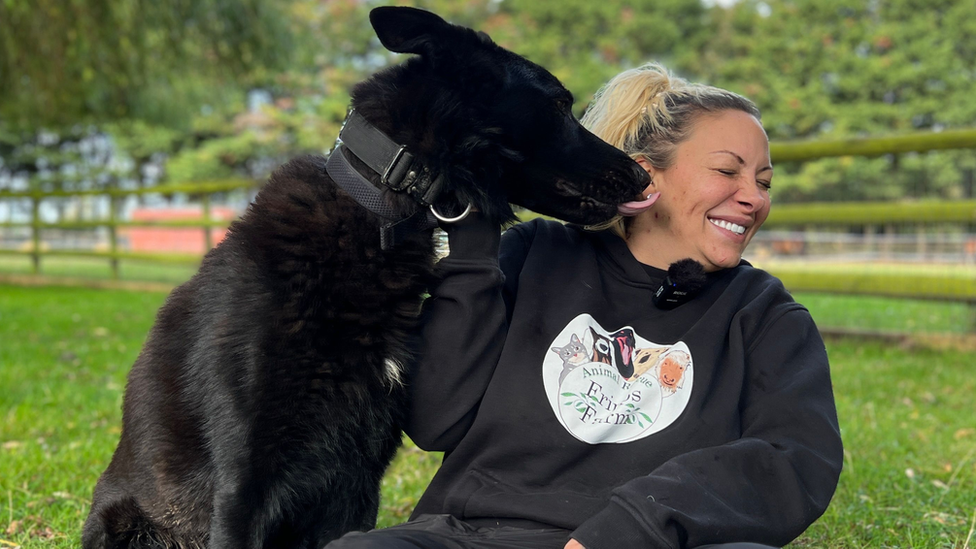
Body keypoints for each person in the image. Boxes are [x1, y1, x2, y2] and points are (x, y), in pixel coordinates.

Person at [327, 63, 843, 549]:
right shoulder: (533, 256)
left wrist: (635, 525)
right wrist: (471, 254)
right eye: (728, 171)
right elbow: (436, 420)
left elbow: (795, 457)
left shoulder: (764, 316)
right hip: (474, 535)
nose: (753, 196)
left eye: (764, 181)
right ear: (645, 176)